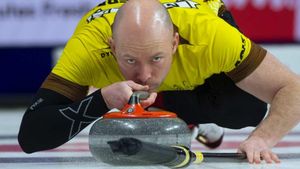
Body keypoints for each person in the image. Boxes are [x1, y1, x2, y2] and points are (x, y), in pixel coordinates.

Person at [18, 0, 300, 164]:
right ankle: (169, 100)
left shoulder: (211, 36)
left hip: (203, 29)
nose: (143, 75)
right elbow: (31, 137)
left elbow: (292, 88)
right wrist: (100, 99)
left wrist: (262, 139)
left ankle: (186, 112)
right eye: (129, 60)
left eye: (156, 58)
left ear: (175, 42)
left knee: (247, 111)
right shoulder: (87, 49)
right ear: (112, 47)